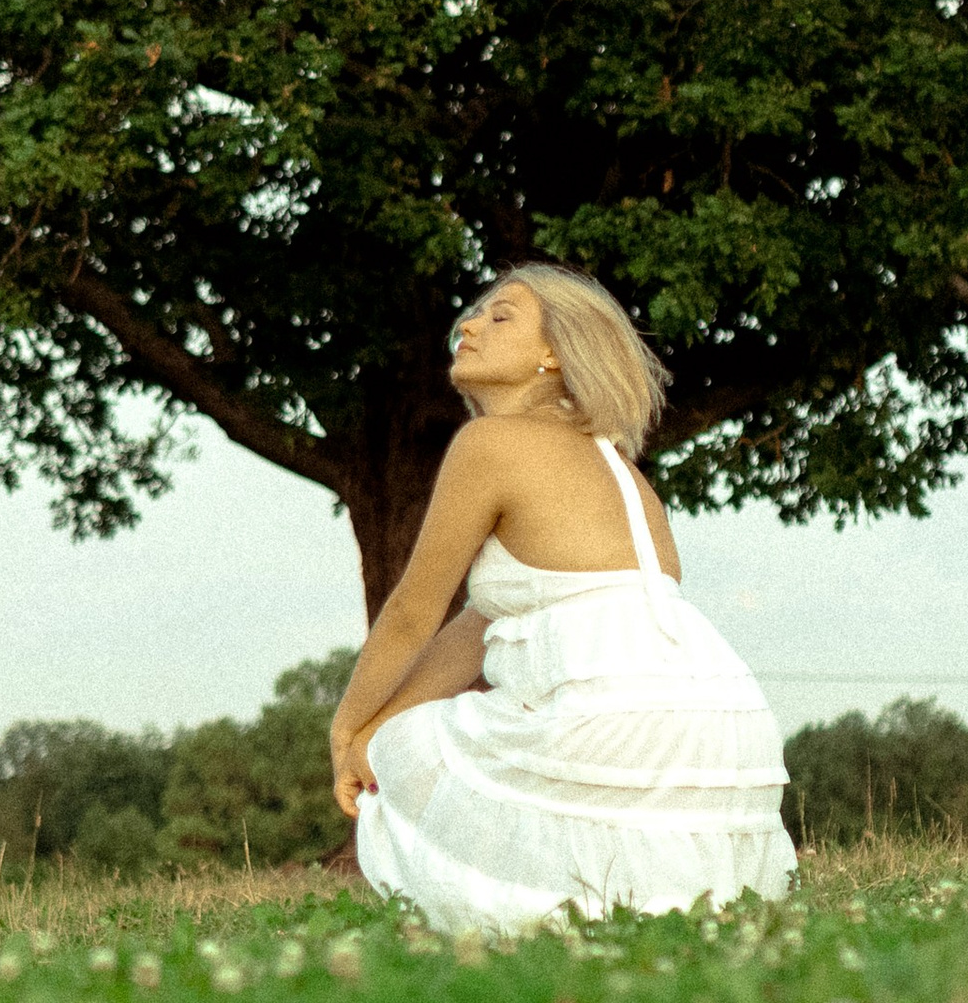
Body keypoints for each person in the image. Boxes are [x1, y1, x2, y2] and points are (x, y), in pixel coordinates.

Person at [332, 264, 795, 933]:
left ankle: (524, 925)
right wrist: (372, 739)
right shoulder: (621, 471)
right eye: (474, 314)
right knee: (402, 742)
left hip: (618, 730)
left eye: (501, 316)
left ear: (553, 353)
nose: (468, 325)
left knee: (417, 758)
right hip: (724, 740)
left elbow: (410, 613)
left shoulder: (489, 444)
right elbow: (475, 625)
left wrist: (346, 730)